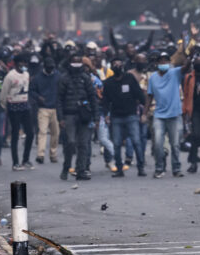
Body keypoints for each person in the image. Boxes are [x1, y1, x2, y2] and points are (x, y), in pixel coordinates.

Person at [143, 52, 191, 178]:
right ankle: (159, 168)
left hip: (174, 115)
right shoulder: (153, 77)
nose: (164, 63)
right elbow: (149, 95)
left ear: (169, 62)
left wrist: (189, 54)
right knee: (158, 144)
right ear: (157, 63)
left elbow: (186, 66)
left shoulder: (174, 72)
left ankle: (176, 169)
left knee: (175, 144)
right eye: (161, 61)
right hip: (159, 115)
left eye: (166, 61)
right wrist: (144, 112)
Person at [102, 57, 147, 178]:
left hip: (131, 114)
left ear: (122, 66)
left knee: (136, 141)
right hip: (116, 116)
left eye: (119, 64)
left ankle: (141, 167)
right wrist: (106, 115)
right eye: (114, 64)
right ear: (111, 67)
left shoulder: (129, 78)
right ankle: (119, 169)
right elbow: (105, 101)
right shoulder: (108, 83)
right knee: (116, 143)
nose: (117, 66)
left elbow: (139, 94)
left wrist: (145, 111)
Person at [57, 53, 98, 181]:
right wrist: (61, 118)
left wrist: (96, 117)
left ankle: (81, 170)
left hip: (84, 115)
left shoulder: (85, 78)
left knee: (84, 144)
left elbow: (93, 97)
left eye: (78, 62)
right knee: (70, 143)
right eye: (74, 61)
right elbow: (59, 99)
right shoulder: (64, 79)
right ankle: (66, 167)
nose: (76, 64)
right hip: (69, 115)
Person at [0, 54, 34, 170]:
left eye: (25, 62)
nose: (23, 65)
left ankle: (26, 159)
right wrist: (4, 106)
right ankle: (15, 162)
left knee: (30, 133)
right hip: (13, 107)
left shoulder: (26, 74)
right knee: (15, 134)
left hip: (25, 106)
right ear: (16, 63)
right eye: (21, 62)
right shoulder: (10, 76)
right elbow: (4, 92)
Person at [29, 57, 60, 164]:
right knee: (42, 132)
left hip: (55, 108)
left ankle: (53, 154)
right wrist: (38, 97)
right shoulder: (38, 78)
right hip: (43, 108)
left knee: (55, 133)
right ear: (44, 67)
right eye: (49, 68)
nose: (51, 69)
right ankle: (40, 154)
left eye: (52, 68)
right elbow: (31, 90)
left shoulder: (58, 76)